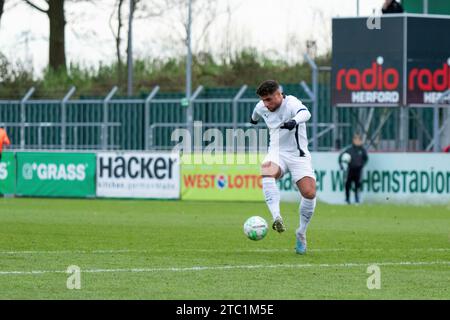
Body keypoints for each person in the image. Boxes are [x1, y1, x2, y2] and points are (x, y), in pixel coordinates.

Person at [250, 80, 316, 255]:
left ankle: (301, 232)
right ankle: (276, 217)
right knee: (267, 169)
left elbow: (306, 113)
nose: (266, 104)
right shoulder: (261, 106)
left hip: (298, 155)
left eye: (269, 99)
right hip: (277, 152)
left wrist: (294, 121)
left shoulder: (292, 102)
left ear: (279, 94)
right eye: (264, 100)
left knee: (309, 193)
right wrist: (253, 120)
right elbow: (255, 113)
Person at [338, 134, 368, 205]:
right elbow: (340, 157)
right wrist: (341, 166)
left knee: (357, 185)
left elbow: (366, 158)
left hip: (358, 170)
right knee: (347, 184)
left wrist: (362, 165)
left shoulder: (362, 150)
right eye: (356, 139)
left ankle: (357, 199)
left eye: (359, 140)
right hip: (350, 169)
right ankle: (347, 199)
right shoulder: (349, 150)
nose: (357, 141)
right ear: (353, 140)